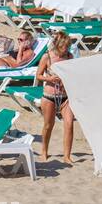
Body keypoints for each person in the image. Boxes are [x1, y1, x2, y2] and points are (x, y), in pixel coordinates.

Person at [35, 31, 75, 164]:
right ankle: (44, 151)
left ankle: (67, 156)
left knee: (69, 125)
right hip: (49, 96)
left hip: (65, 97)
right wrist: (50, 78)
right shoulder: (47, 57)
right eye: (65, 47)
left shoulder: (70, 57)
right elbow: (38, 75)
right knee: (48, 125)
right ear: (58, 45)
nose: (66, 49)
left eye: (68, 47)